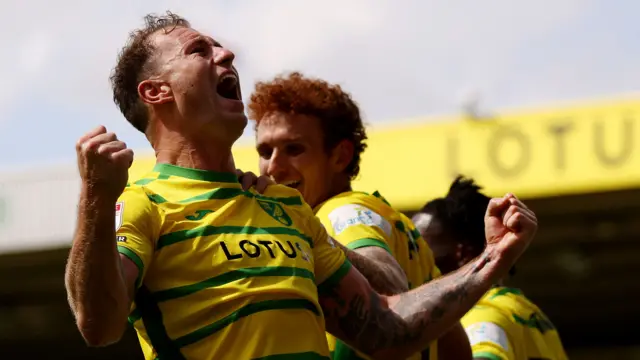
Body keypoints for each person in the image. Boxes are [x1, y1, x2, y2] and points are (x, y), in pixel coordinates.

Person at [64, 11, 538, 360]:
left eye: (221, 48)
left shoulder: (287, 208)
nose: (226, 54)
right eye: (199, 50)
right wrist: (95, 198)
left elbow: (385, 329)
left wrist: (494, 255)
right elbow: (99, 326)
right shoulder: (144, 203)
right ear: (156, 92)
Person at [248, 72, 471, 360]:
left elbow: (390, 284)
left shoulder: (341, 214)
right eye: (265, 151)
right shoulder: (392, 221)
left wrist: (305, 234)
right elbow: (455, 346)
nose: (273, 167)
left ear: (340, 156)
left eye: (294, 149)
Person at [412, 176, 569, 360]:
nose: (410, 262)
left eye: (418, 251)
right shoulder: (531, 317)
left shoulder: (481, 316)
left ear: (462, 254)